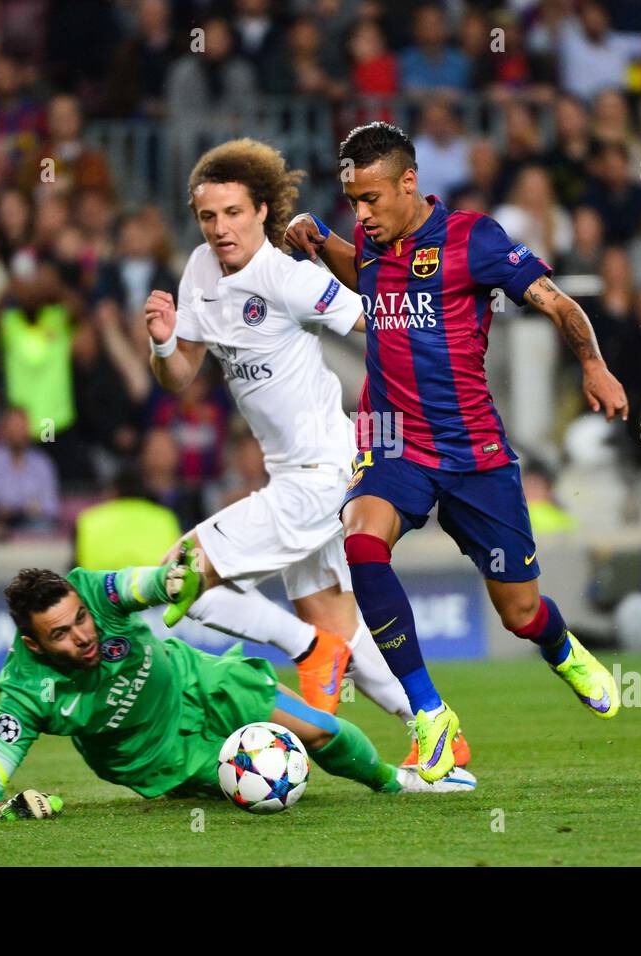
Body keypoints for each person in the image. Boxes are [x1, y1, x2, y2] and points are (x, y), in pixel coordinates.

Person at [285, 121, 627, 782]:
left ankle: (559, 646)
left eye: (371, 199)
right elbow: (368, 279)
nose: (361, 213)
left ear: (409, 183)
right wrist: (322, 241)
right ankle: (429, 714)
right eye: (352, 201)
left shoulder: (475, 240)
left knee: (520, 611)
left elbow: (556, 303)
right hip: (394, 443)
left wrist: (594, 366)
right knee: (360, 541)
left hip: (475, 453)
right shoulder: (370, 237)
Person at [143, 138, 414, 738]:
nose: (219, 228)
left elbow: (377, 318)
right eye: (208, 216)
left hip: (324, 474)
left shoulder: (287, 278)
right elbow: (180, 375)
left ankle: (309, 652)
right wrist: (163, 342)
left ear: (263, 210)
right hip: (296, 475)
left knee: (178, 575)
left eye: (233, 213)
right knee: (340, 630)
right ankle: (436, 731)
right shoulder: (199, 270)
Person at [0, 564, 475, 820]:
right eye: (61, 635)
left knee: (317, 728)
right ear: (33, 644)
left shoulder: (91, 589)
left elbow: (147, 584)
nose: (84, 636)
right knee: (257, 799)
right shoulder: (24, 694)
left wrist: (173, 580)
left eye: (82, 621)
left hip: (197, 681)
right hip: (159, 756)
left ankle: (396, 782)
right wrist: (4, 810)